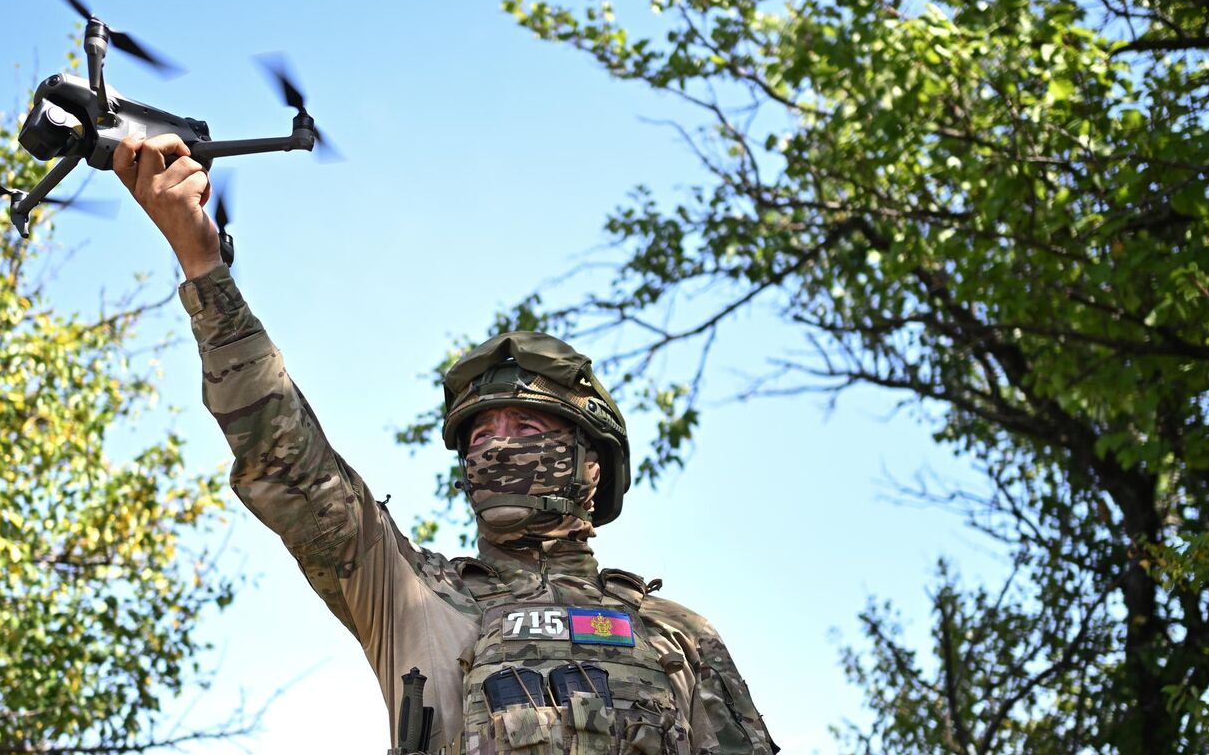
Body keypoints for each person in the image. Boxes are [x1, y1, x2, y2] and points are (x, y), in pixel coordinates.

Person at [110, 133, 778, 755]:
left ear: (591, 461)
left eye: (526, 426)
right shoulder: (413, 593)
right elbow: (289, 461)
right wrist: (204, 267)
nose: (496, 445)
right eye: (480, 433)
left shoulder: (675, 636)